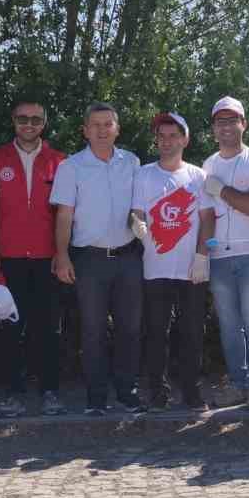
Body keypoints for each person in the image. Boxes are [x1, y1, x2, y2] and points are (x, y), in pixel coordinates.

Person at [51, 102, 145, 415]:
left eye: (108, 124)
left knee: (129, 328)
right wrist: (61, 255)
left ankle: (127, 392)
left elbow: (139, 208)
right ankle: (96, 397)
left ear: (117, 128)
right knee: (92, 330)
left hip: (128, 256)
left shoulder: (132, 162)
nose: (102, 130)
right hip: (89, 260)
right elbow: (64, 215)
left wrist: (139, 222)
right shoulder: (71, 167)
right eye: (96, 125)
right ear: (85, 130)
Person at [0, 100, 68, 418]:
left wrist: (62, 255)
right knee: (9, 329)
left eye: (35, 119)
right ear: (13, 121)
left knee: (49, 328)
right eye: (22, 119)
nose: (28, 124)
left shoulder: (59, 161)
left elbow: (64, 213)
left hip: (47, 258)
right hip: (9, 257)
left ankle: (51, 392)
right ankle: (13, 394)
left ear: (43, 123)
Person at [130, 112, 211, 412]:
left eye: (173, 135)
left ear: (184, 139)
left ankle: (191, 391)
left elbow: (207, 219)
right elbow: (137, 213)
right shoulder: (144, 174)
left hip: (192, 266)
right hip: (156, 266)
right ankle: (158, 392)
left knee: (191, 330)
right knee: (155, 331)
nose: (166, 141)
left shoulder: (197, 176)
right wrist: (136, 226)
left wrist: (203, 255)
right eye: (161, 136)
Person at [198, 96, 249, 408]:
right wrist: (202, 254)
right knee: (229, 325)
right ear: (214, 128)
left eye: (232, 120)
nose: (226, 126)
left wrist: (224, 192)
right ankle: (237, 383)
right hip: (220, 257)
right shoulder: (208, 165)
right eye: (221, 121)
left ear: (244, 124)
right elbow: (205, 216)